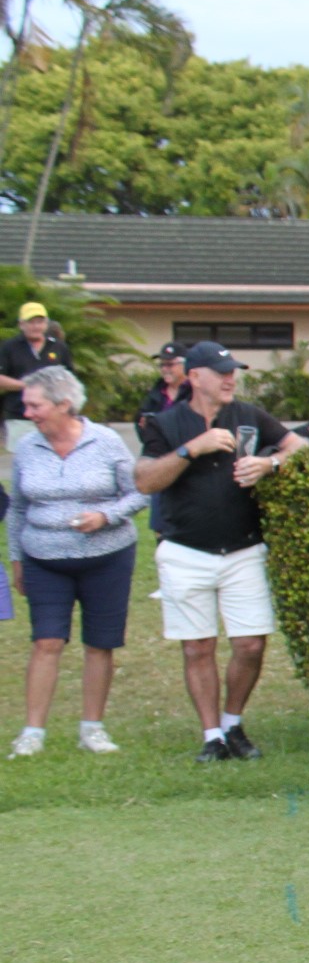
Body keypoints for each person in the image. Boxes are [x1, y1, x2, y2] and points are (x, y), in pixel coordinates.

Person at [134, 340, 309, 761]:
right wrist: (191, 449)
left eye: (234, 371)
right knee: (197, 646)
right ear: (195, 377)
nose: (231, 378)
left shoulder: (248, 415)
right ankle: (211, 735)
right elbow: (145, 480)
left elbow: (301, 446)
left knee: (250, 644)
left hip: (244, 549)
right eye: (222, 372)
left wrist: (272, 464)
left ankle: (233, 724)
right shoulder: (165, 423)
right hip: (184, 549)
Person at [8, 366, 143, 758]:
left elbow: (139, 494)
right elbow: (18, 507)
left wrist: (105, 517)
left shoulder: (106, 441)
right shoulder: (27, 447)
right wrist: (17, 558)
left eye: (35, 405)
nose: (28, 412)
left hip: (108, 558)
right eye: (26, 405)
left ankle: (92, 728)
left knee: (100, 644)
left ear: (64, 404)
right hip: (44, 558)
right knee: (46, 641)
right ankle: (33, 732)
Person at [1, 301, 72, 451]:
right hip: (20, 415)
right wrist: (29, 385)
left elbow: (70, 378)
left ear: (46, 324)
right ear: (21, 324)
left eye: (40, 322)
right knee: (24, 459)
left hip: (54, 416)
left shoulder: (59, 347)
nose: (36, 326)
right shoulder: (9, 347)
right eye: (31, 322)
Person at [137, 343, 193, 427]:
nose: (164, 369)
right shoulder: (156, 391)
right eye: (162, 365)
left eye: (170, 365)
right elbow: (140, 421)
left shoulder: (195, 392)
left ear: (185, 364)